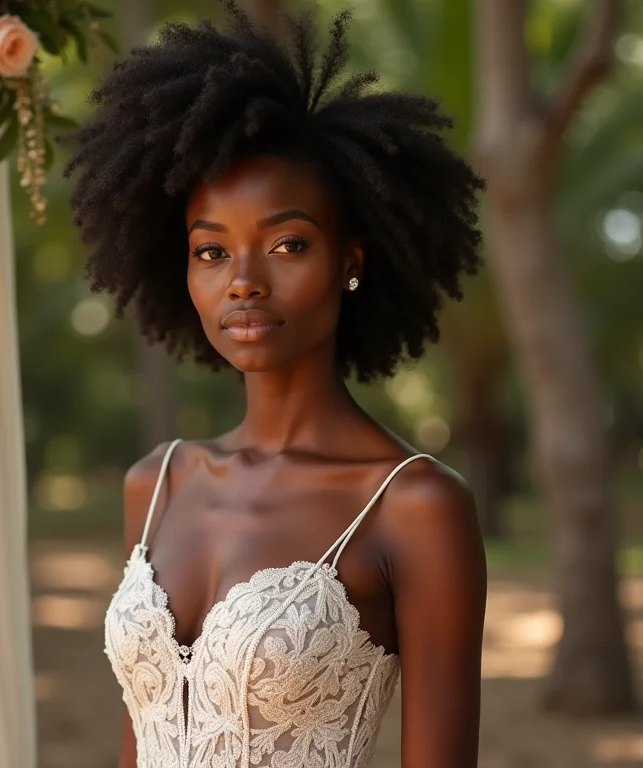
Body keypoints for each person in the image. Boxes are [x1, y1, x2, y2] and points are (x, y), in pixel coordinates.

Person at [66, 3, 487, 767]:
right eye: (211, 251)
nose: (244, 282)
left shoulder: (415, 506)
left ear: (351, 260)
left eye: (288, 243)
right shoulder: (156, 483)